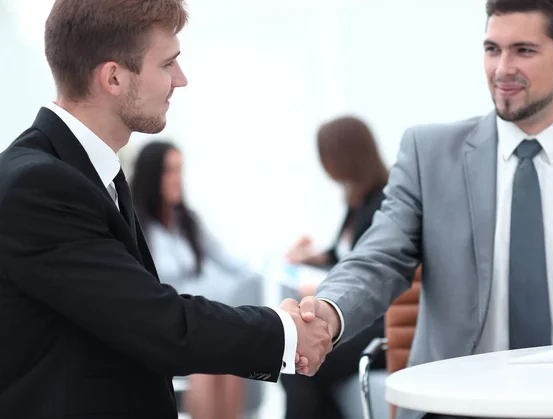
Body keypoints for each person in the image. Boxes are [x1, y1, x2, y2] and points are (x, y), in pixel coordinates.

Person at [0, 1, 331, 418]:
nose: (182, 79)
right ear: (114, 77)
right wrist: (284, 332)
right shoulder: (38, 185)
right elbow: (154, 323)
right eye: (168, 63)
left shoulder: (84, 170)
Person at [296, 1, 553, 418]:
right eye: (492, 49)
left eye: (523, 51)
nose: (502, 69)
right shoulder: (430, 154)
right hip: (457, 406)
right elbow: (378, 257)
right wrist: (330, 311)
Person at [131, 140, 261, 419]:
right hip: (164, 326)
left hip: (197, 319)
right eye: (169, 171)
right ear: (152, 176)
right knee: (205, 362)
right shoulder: (135, 225)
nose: (178, 179)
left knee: (231, 357)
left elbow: (231, 263)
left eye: (180, 170)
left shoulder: (188, 222)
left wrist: (280, 263)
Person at [282, 116, 388, 419]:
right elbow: (346, 255)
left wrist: (321, 289)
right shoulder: (359, 200)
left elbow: (373, 269)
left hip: (374, 325)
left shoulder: (383, 203)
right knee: (300, 364)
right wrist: (313, 258)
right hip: (355, 319)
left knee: (299, 363)